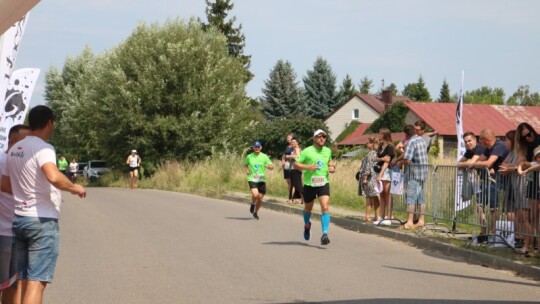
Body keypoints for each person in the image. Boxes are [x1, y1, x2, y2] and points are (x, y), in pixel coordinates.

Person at [1, 105, 86, 304]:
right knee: (36, 281)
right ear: (49, 122)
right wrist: (75, 188)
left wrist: (28, 192)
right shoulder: (44, 148)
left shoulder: (15, 149)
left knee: (21, 280)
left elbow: (5, 184)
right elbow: (54, 176)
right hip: (41, 221)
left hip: (19, 221)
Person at [0, 125, 30, 304]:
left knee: (13, 285)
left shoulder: (22, 162)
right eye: (22, 142)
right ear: (11, 141)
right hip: (4, 234)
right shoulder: (3, 161)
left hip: (18, 233)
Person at [293, 129, 335, 245]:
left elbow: (330, 162)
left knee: (325, 207)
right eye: (319, 136)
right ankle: (307, 225)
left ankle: (324, 234)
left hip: (323, 183)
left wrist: (332, 168)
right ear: (314, 138)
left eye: (324, 137)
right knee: (308, 208)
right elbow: (295, 164)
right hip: (309, 184)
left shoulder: (327, 151)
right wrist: (308, 167)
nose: (322, 138)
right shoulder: (307, 151)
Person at [472, 129, 510, 236]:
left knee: (494, 207)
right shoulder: (489, 148)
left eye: (480, 140)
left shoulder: (498, 146)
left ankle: (493, 232)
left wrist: (478, 164)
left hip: (497, 180)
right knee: (479, 204)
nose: (480, 143)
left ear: (485, 140)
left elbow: (488, 163)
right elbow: (480, 160)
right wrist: (479, 163)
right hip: (488, 179)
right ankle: (483, 231)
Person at [515, 122, 540, 255]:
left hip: (537, 182)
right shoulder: (527, 146)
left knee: (533, 217)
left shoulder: (538, 141)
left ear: (532, 131)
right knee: (532, 217)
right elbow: (521, 160)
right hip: (533, 182)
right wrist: (521, 166)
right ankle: (529, 246)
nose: (527, 138)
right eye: (523, 137)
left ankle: (529, 246)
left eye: (529, 135)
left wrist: (526, 166)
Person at [397, 125, 428, 229]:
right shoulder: (422, 140)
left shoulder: (411, 142)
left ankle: (410, 222)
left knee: (410, 198)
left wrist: (400, 162)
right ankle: (421, 220)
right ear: (414, 131)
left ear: (406, 134)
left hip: (413, 174)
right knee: (421, 199)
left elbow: (408, 159)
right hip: (423, 173)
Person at [244, 141, 274, 220]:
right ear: (253, 148)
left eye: (258, 147)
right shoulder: (249, 156)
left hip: (261, 180)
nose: (256, 148)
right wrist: (247, 170)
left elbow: (271, 166)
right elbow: (245, 165)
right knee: (255, 195)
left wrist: (269, 167)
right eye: (255, 147)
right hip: (252, 178)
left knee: (260, 198)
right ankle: (253, 204)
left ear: (261, 147)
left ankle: (255, 212)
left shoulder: (264, 156)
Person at [359, 137, 380, 222]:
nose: (366, 144)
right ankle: (376, 216)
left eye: (368, 143)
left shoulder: (371, 153)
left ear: (372, 144)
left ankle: (367, 216)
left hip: (370, 177)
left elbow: (368, 166)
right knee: (375, 197)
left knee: (369, 197)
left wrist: (365, 177)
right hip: (374, 176)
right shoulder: (376, 153)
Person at [376, 128, 394, 222]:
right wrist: (382, 159)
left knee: (387, 193)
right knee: (381, 193)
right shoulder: (380, 145)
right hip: (379, 170)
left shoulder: (390, 146)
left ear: (385, 135)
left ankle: (389, 215)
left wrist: (381, 174)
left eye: (381, 134)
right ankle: (382, 216)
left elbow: (388, 161)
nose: (379, 135)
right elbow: (376, 158)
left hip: (386, 171)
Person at [285, 137, 303, 204]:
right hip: (293, 168)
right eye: (292, 142)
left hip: (296, 168)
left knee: (297, 185)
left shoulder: (297, 148)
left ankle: (292, 199)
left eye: (294, 142)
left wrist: (289, 156)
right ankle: (295, 199)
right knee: (295, 185)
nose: (293, 143)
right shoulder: (294, 149)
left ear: (297, 143)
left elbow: (298, 156)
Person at [281, 134, 294, 203]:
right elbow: (284, 156)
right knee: (288, 182)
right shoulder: (287, 147)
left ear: (292, 138)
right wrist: (283, 161)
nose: (287, 138)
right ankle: (290, 197)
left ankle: (293, 198)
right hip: (286, 166)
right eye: (287, 137)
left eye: (289, 137)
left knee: (293, 182)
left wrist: (290, 157)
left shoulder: (295, 147)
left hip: (292, 166)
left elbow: (297, 155)